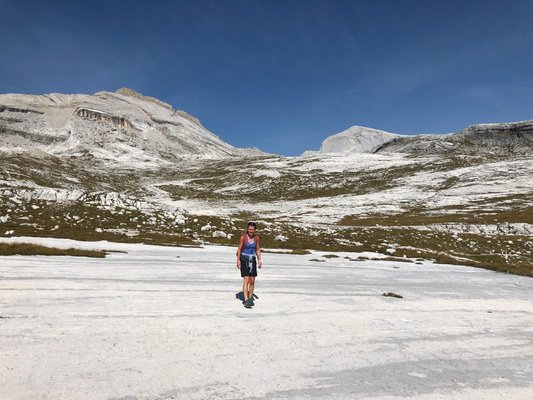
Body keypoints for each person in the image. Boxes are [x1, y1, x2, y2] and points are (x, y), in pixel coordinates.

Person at [236, 221, 262, 308]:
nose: (251, 231)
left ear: (255, 230)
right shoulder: (243, 237)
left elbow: (257, 249)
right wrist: (238, 260)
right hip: (244, 258)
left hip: (253, 259)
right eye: (249, 229)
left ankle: (250, 298)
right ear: (247, 229)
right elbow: (239, 249)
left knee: (252, 280)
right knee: (246, 279)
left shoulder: (256, 238)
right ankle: (246, 300)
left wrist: (260, 260)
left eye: (252, 229)